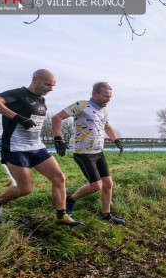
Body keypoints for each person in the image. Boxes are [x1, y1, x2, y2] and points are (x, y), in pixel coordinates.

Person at [0, 69, 81, 225]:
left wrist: (57, 139)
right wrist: (18, 117)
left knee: (59, 178)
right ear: (35, 79)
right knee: (25, 188)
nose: (51, 89)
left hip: (36, 146)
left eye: (53, 86)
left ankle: (61, 215)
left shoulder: (41, 100)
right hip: (16, 148)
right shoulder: (19, 94)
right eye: (48, 84)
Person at [51, 82, 126, 224]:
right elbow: (57, 118)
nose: (109, 99)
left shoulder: (104, 112)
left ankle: (106, 216)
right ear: (95, 94)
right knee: (96, 185)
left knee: (108, 183)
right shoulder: (81, 105)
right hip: (83, 152)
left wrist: (116, 141)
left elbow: (107, 126)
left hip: (98, 152)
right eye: (106, 96)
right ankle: (71, 200)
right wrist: (58, 138)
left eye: (110, 96)